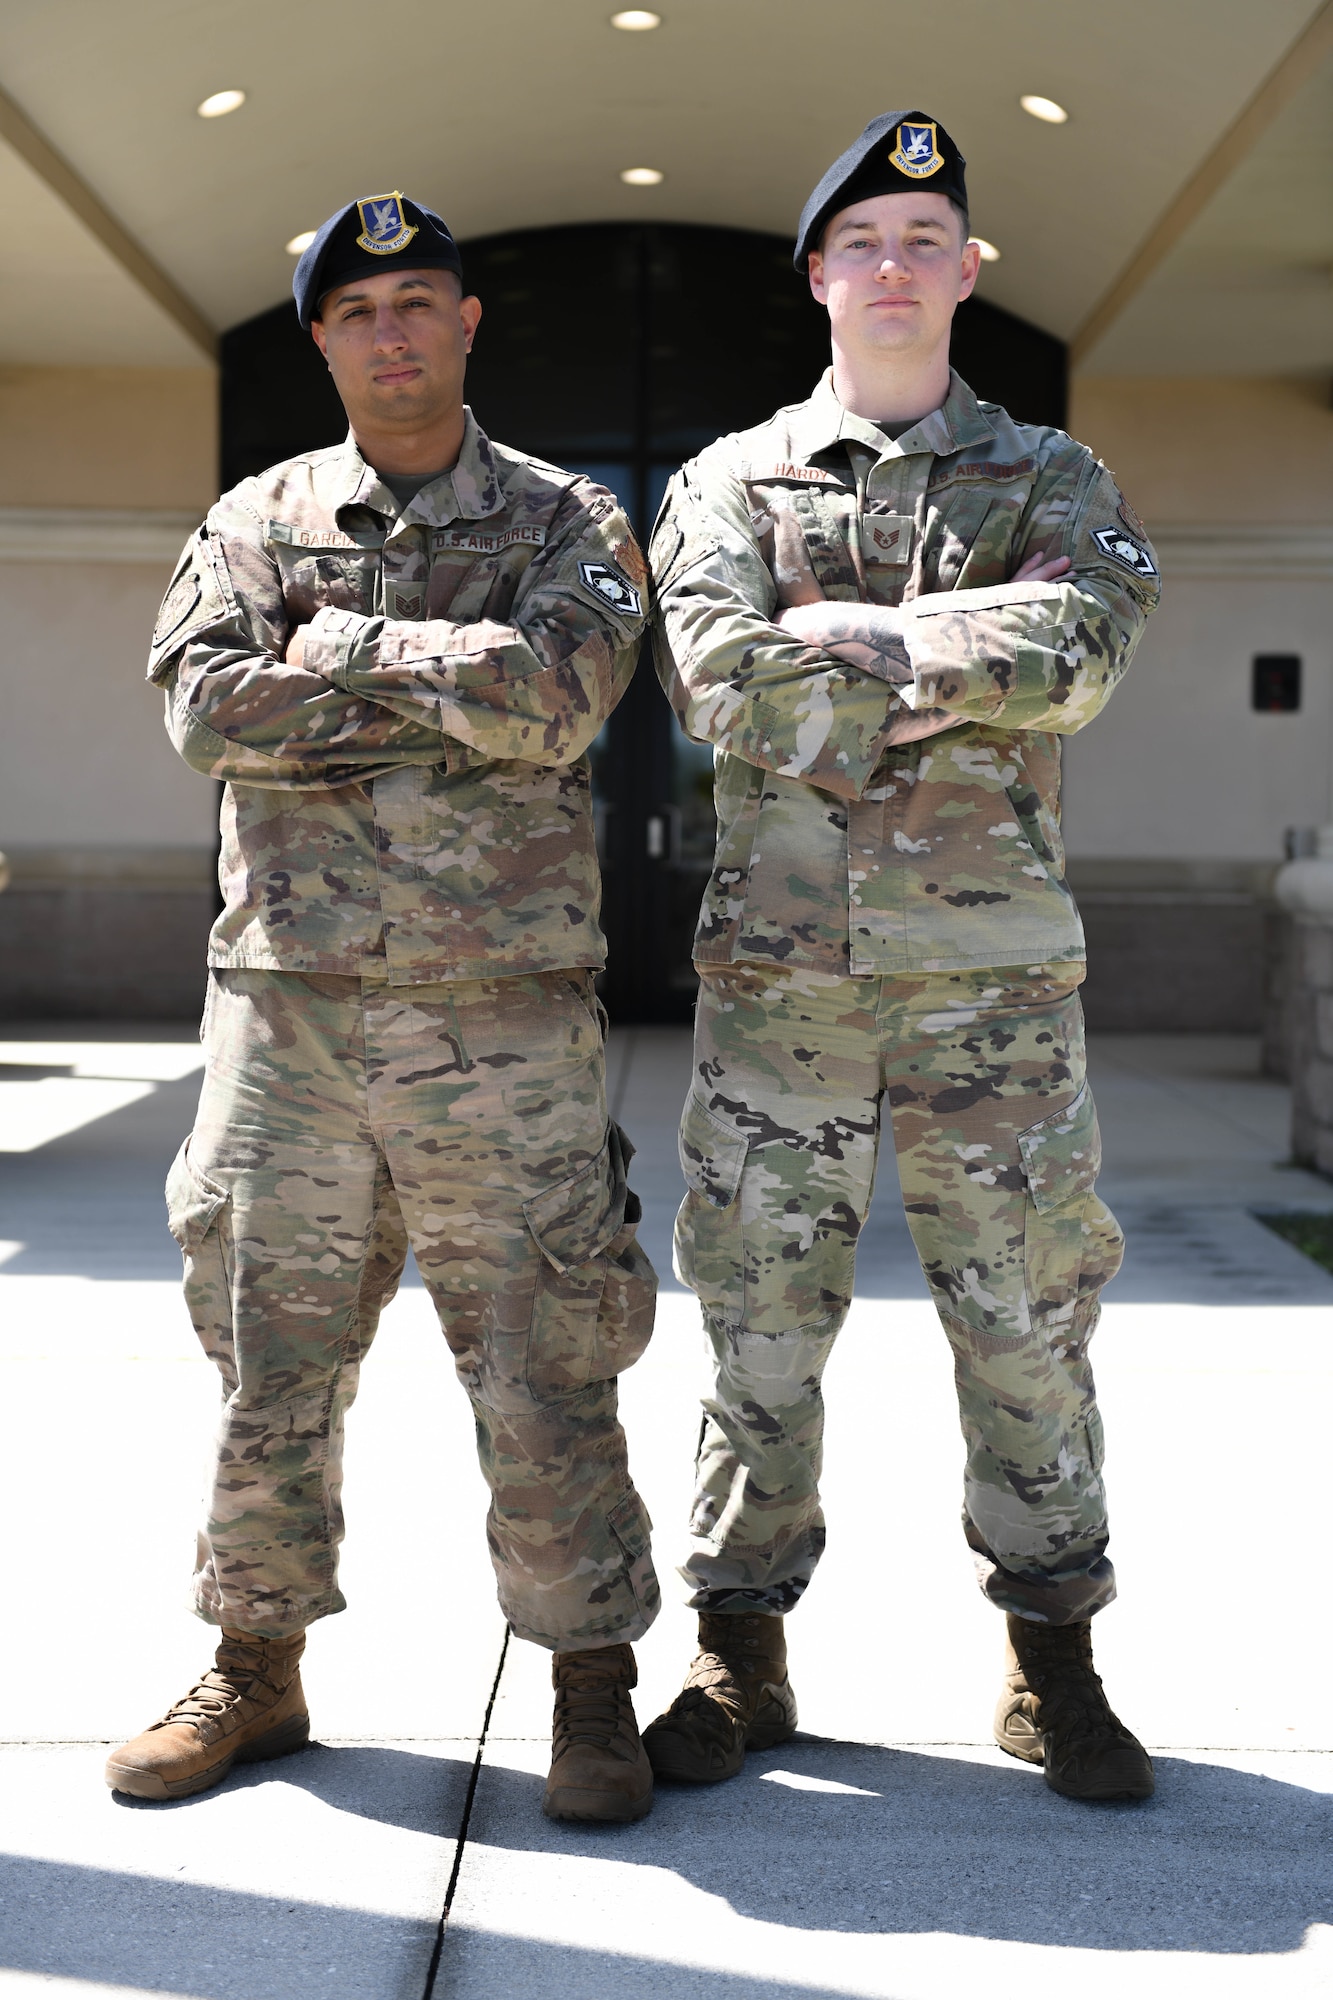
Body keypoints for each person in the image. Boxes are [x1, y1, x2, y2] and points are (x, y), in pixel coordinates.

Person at [106, 193, 660, 1825]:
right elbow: (206, 708)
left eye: (421, 301)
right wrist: (446, 683)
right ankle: (254, 1668)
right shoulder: (251, 515)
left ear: (467, 324)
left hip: (501, 1025)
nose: (395, 332)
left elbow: (561, 703)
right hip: (292, 1020)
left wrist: (334, 646)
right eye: (361, 313)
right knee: (270, 1357)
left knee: (544, 1359)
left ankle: (587, 1684)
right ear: (324, 339)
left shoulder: (570, 520)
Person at [645, 115, 1160, 1802]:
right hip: (782, 994)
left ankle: (1051, 1664)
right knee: (759, 1330)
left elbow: (1084, 650)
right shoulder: (727, 481)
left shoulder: (1051, 476)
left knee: (1023, 1325)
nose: (889, 264)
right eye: (859, 237)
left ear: (965, 269)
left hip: (990, 995)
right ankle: (738, 1652)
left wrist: (867, 638)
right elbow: (724, 683)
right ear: (817, 273)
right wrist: (967, 659)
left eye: (921, 234)